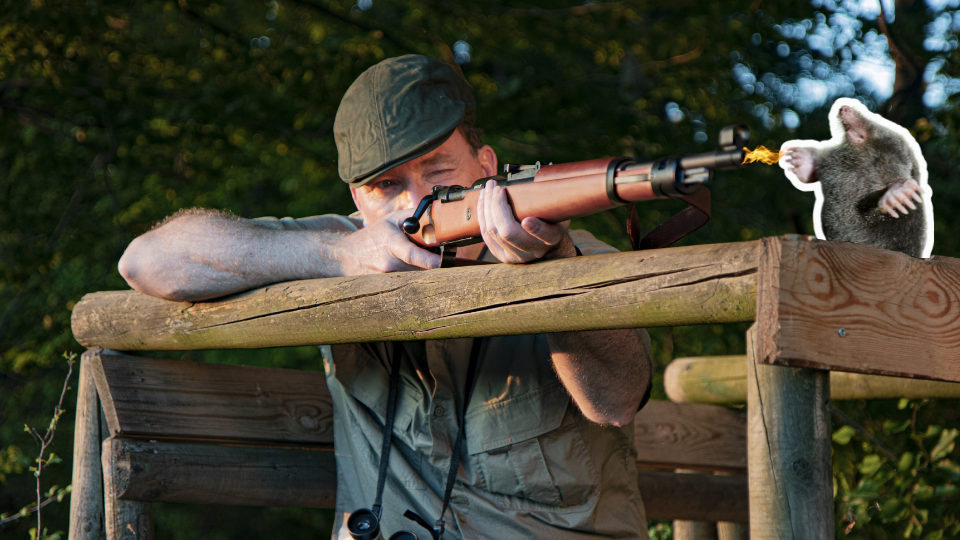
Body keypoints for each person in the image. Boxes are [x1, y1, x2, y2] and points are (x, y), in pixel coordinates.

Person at [118, 54, 653, 539]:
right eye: (387, 185)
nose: (416, 201)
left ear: (486, 166)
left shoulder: (572, 254)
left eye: (438, 170)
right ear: (358, 199)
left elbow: (617, 401)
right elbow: (146, 261)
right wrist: (334, 258)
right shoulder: (347, 243)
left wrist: (551, 273)